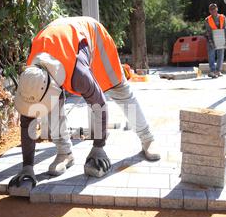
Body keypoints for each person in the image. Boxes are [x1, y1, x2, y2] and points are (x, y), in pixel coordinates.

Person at [9, 16, 160, 188]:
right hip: (58, 44)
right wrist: (27, 167)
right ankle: (65, 153)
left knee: (119, 90)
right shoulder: (32, 78)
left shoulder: (78, 75)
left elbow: (99, 104)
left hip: (92, 36)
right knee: (50, 104)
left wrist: (98, 147)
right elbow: (26, 121)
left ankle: (147, 138)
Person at [205, 3, 226, 78]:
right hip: (211, 39)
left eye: (214, 9)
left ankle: (218, 71)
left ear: (217, 9)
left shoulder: (222, 17)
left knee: (220, 55)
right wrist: (211, 42)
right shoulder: (207, 19)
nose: (213, 10)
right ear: (209, 11)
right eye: (211, 9)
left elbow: (225, 29)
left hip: (221, 38)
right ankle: (213, 70)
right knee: (211, 55)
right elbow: (208, 32)